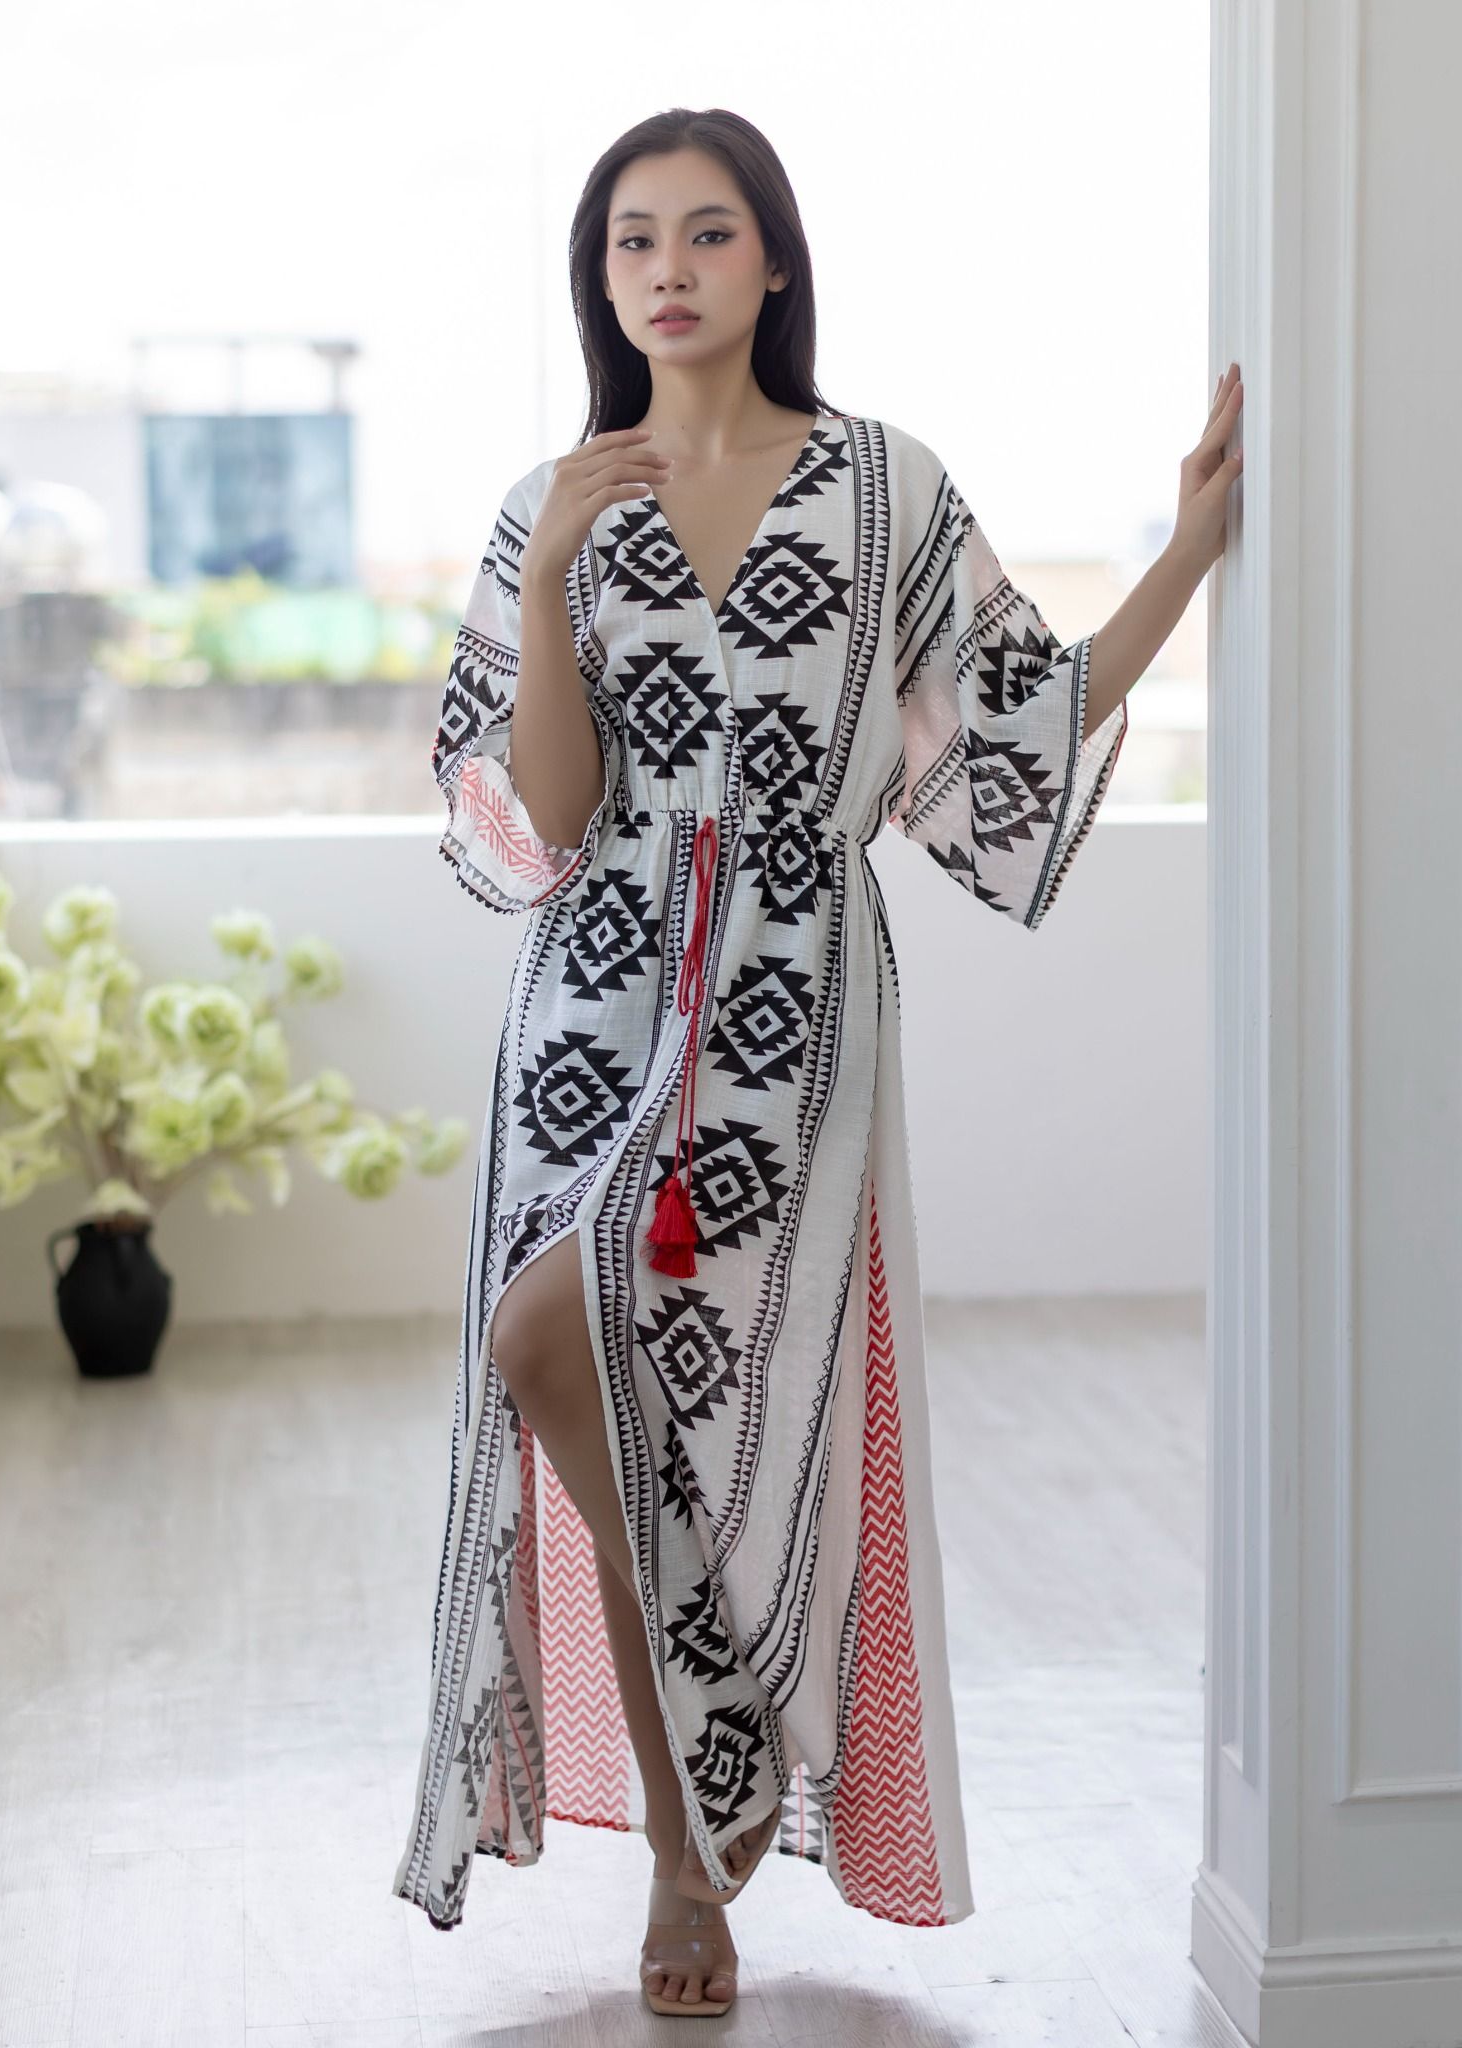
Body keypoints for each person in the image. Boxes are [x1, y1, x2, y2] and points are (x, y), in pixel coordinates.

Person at [391, 105, 1243, 2018]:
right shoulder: (551, 503)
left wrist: (1190, 547)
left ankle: (699, 1808)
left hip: (786, 1008)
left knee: (665, 1369)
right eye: (632, 242)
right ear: (600, 280)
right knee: (550, 1344)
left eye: (707, 233)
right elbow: (541, 820)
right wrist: (556, 579)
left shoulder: (883, 488)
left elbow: (1015, 723)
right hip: (589, 999)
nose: (668, 269)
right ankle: (697, 1809)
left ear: (773, 261)